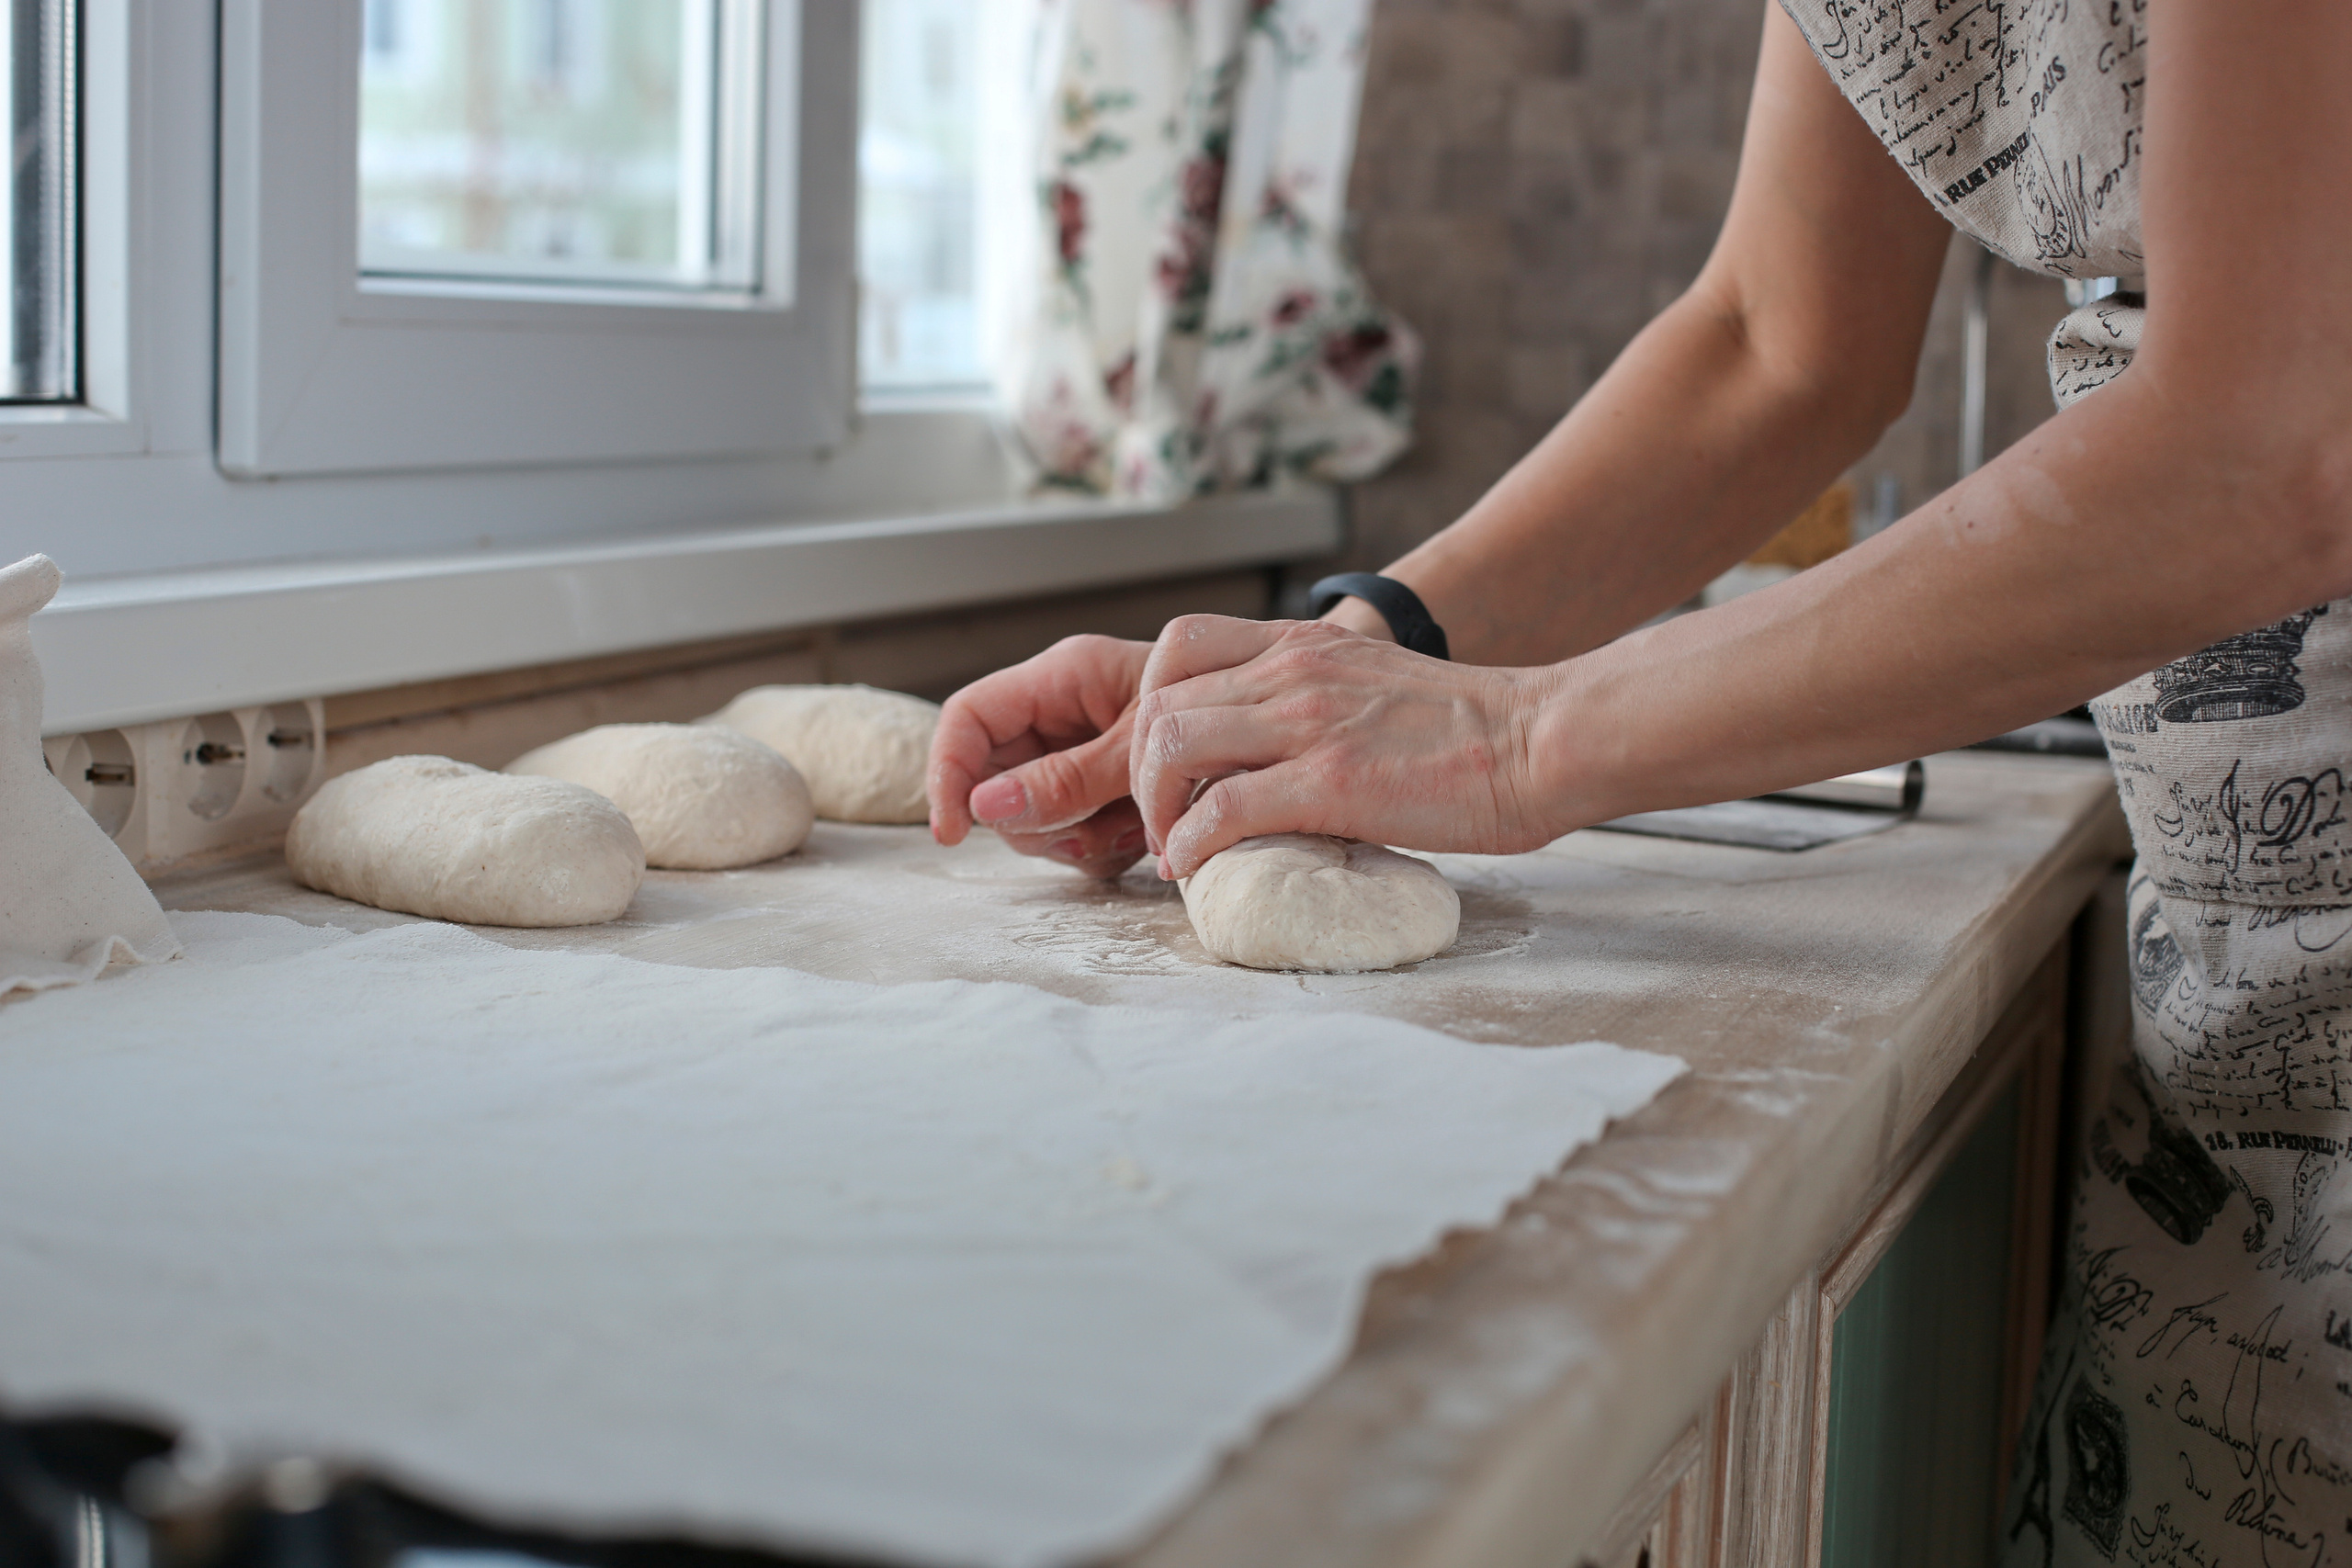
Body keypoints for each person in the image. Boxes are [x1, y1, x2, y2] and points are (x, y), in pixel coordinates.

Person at [928, 4, 2352, 1557]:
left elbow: (2272, 434)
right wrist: (1349, 661)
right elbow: (1777, 341)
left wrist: (1512, 739)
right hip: (2236, 995)